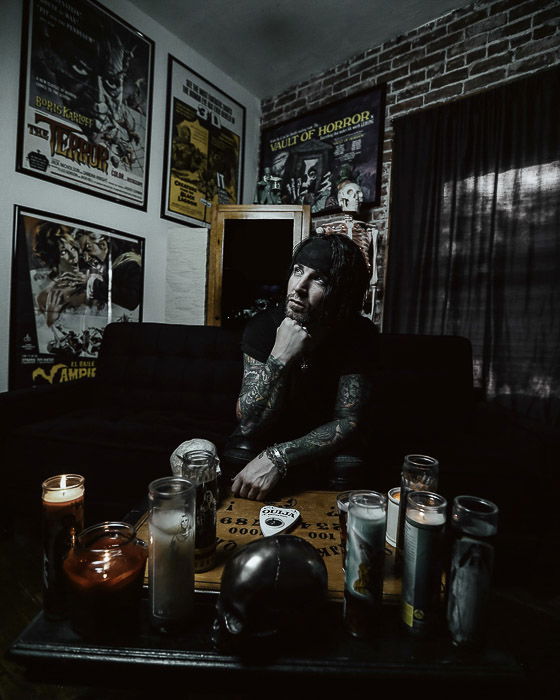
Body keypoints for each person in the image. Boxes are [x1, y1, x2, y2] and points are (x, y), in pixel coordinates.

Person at [228, 233, 378, 501]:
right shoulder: (262, 328)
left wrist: (279, 456)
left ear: (341, 293)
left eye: (318, 278)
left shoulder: (358, 335)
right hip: (272, 433)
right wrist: (280, 357)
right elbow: (250, 425)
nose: (299, 286)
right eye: (298, 271)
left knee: (349, 461)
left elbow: (349, 421)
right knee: (240, 448)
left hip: (322, 444)